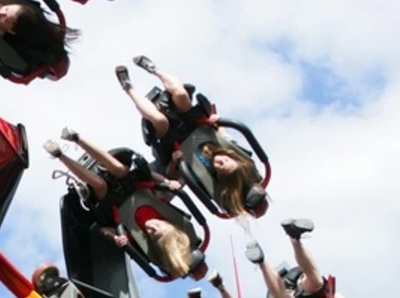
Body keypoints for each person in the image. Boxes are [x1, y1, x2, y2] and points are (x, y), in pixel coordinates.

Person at [115, 56, 266, 217]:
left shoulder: (204, 178)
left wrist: (175, 160)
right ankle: (154, 69)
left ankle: (128, 87)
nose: (220, 161)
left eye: (221, 167)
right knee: (181, 95)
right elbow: (224, 135)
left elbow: (178, 174)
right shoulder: (229, 149)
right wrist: (217, 121)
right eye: (226, 160)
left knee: (160, 120)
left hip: (174, 143)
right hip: (196, 126)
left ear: (219, 175)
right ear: (232, 157)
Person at [45, 128, 198, 279]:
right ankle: (76, 137)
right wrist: (167, 182)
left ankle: (59, 154)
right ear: (168, 225)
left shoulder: (136, 238)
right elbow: (152, 177)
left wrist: (115, 237)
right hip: (130, 183)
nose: (151, 229)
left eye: (153, 236)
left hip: (112, 202)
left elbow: (103, 229)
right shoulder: (164, 207)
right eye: (158, 229)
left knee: (99, 185)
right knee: (119, 169)